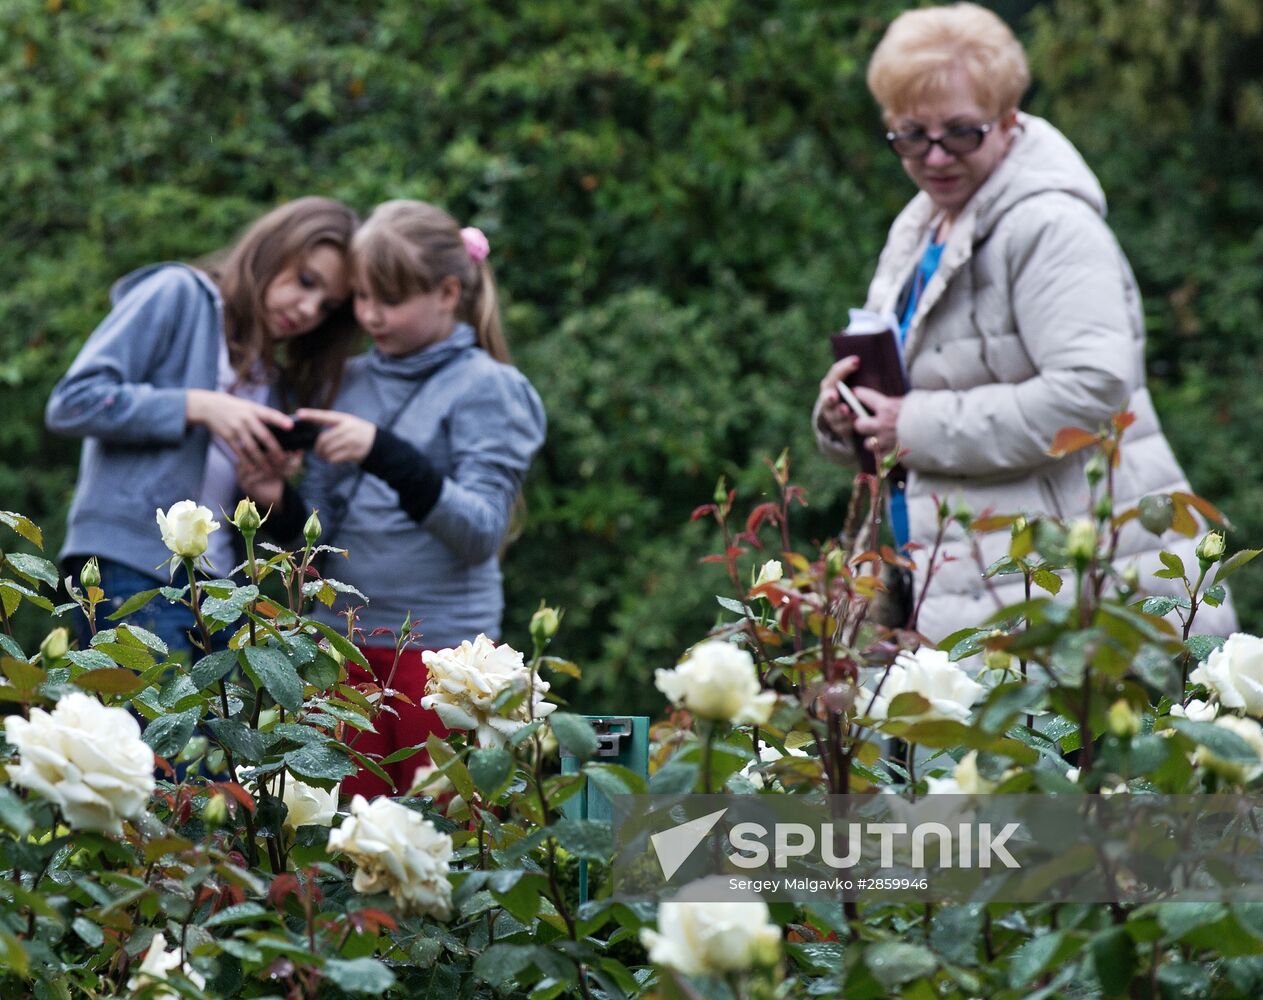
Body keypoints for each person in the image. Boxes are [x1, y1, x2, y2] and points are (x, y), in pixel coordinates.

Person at [812, 3, 1236, 641]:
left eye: (959, 132)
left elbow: (1092, 392)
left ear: (1009, 118)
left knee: (1060, 744)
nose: (934, 156)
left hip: (1070, 591)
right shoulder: (922, 225)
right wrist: (850, 417)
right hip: (964, 579)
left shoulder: (1050, 227)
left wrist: (915, 424)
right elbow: (918, 388)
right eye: (909, 135)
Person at [240, 199, 547, 796]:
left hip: (442, 660)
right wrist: (275, 496)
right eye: (361, 298)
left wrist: (382, 450)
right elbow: (321, 549)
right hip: (338, 651)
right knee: (338, 851)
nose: (371, 316)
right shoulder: (348, 381)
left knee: (443, 848)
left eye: (390, 300)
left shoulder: (491, 389)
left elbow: (481, 530)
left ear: (448, 293)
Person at [46, 197, 358, 656]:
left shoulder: (275, 380)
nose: (309, 308)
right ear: (271, 250)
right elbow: (72, 403)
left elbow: (287, 529)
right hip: (130, 568)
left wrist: (268, 490)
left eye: (327, 305)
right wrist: (198, 405)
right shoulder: (178, 293)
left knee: (210, 730)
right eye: (306, 280)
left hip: (221, 593)